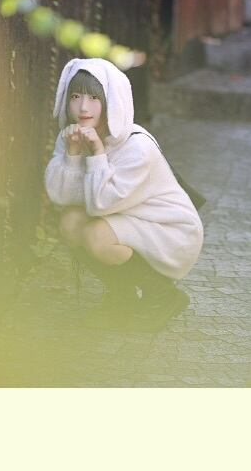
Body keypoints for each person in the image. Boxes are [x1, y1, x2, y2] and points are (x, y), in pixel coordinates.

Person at [44, 57, 204, 332]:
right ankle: (121, 297)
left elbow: (100, 204)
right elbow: (61, 196)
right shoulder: (71, 136)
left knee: (96, 236)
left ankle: (162, 295)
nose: (83, 107)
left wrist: (97, 153)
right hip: (126, 218)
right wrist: (72, 154)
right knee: (70, 223)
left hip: (168, 228)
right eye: (76, 96)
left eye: (94, 98)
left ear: (112, 101)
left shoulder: (137, 147)